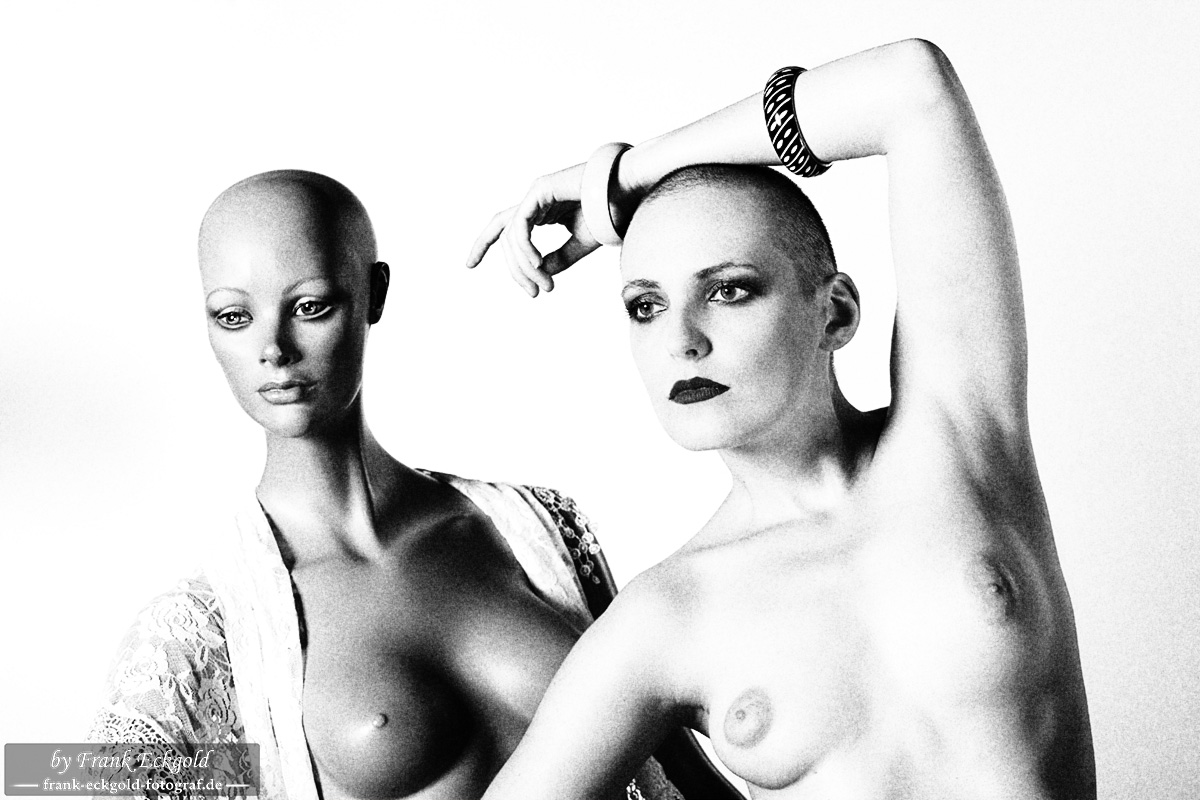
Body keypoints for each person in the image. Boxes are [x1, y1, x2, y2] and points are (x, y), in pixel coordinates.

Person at [467, 39, 1095, 798]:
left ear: (835, 312)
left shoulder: (957, 437)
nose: (681, 340)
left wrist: (621, 180)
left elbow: (911, 86)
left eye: (728, 290)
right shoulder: (667, 616)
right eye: (646, 306)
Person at [86, 170, 742, 800]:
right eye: (233, 316)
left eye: (310, 307)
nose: (274, 349)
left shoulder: (539, 527)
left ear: (374, 293)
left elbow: (679, 766)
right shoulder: (204, 630)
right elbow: (80, 782)